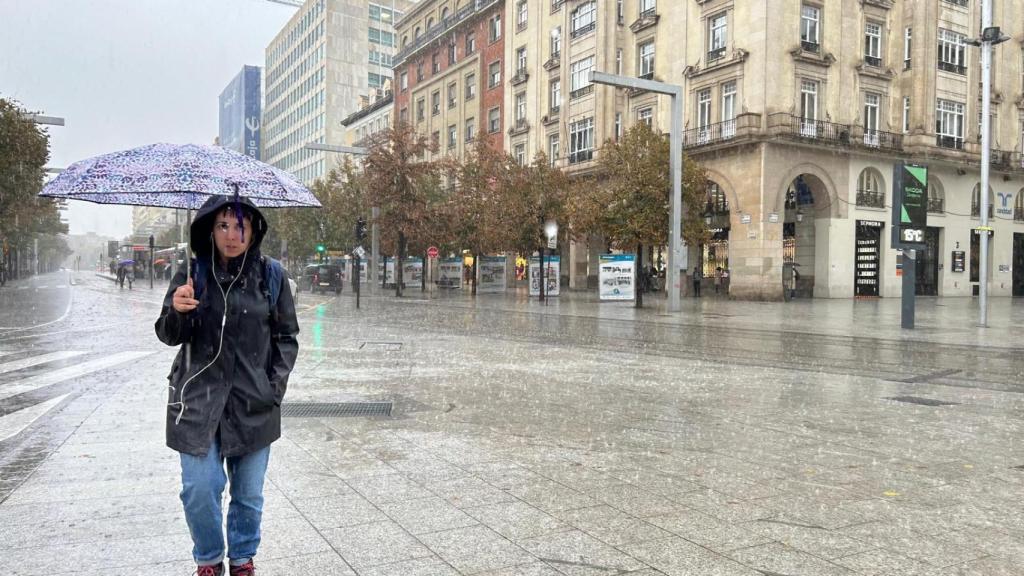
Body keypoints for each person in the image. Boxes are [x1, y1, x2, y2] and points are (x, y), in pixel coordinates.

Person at [155, 195, 299, 576]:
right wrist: (177, 309)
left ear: (253, 231)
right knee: (200, 489)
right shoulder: (192, 273)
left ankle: (241, 559)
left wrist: (273, 389)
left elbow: (287, 337)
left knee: (248, 495)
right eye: (223, 225)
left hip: (254, 404)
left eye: (240, 226)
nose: (232, 235)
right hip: (198, 403)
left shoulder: (271, 276)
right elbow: (169, 335)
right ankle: (208, 559)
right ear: (210, 229)